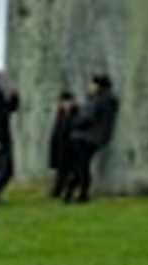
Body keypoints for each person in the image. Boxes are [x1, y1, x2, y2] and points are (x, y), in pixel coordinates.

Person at [62, 74, 118, 203]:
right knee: (82, 166)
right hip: (96, 137)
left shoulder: (97, 100)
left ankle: (75, 194)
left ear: (98, 85)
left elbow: (88, 117)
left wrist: (73, 122)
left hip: (86, 136)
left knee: (80, 166)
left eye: (93, 84)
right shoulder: (110, 100)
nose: (90, 87)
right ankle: (77, 193)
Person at [0, 70, 18, 203]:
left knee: (2, 168)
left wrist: (14, 95)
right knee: (4, 168)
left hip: (3, 135)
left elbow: (9, 109)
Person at [48, 91, 77, 199]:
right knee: (61, 168)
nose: (64, 104)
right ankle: (58, 190)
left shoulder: (75, 112)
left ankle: (64, 190)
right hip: (61, 143)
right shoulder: (60, 113)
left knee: (68, 168)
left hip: (70, 143)